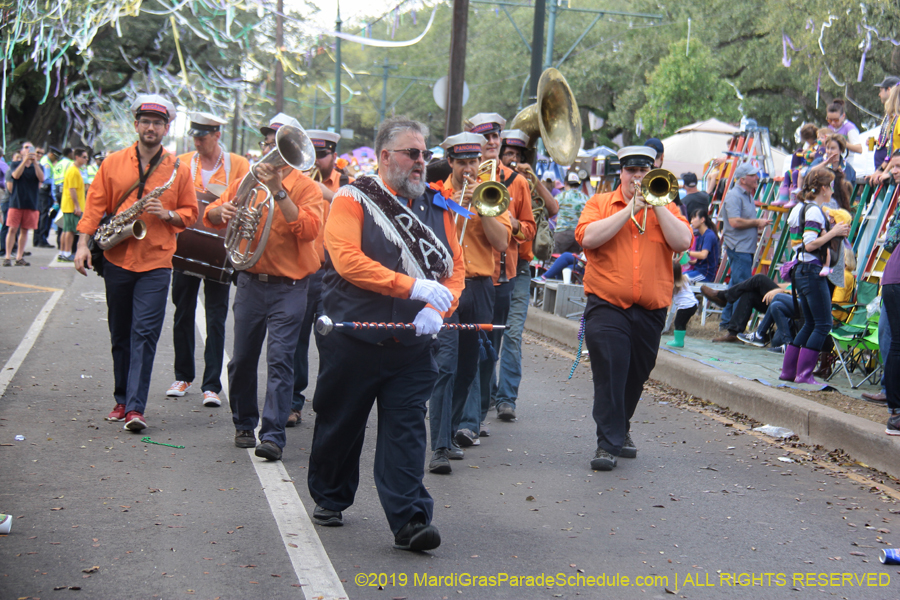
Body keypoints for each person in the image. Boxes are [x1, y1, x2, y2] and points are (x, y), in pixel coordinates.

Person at [307, 116, 465, 551]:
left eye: (424, 154)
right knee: (341, 424)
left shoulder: (439, 207)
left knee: (408, 430)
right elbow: (346, 259)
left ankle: (410, 520)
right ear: (384, 157)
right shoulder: (352, 199)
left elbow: (455, 269)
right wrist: (412, 286)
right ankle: (331, 496)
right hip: (354, 338)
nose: (421, 162)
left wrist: (439, 305)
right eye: (411, 154)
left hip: (413, 345)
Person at [74, 93, 198, 431]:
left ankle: (135, 409)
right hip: (116, 257)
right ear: (136, 125)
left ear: (166, 128)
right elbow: (95, 206)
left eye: (158, 123)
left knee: (145, 332)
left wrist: (168, 213)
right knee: (121, 332)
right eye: (146, 122)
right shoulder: (113, 162)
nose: (151, 128)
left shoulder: (177, 169)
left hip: (157, 261)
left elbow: (190, 213)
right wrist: (82, 245)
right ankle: (121, 398)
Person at [204, 113, 324, 461]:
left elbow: (309, 230)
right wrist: (221, 211)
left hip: (290, 287)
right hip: (251, 282)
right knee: (241, 360)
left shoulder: (306, 187)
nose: (271, 148)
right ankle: (244, 422)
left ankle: (272, 436)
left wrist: (278, 191)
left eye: (277, 141)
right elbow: (210, 213)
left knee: (280, 361)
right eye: (269, 141)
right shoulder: (249, 178)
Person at [575, 145, 692, 471]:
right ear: (621, 173)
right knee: (611, 367)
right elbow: (587, 238)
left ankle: (621, 426)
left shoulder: (667, 205)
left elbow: (683, 242)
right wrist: (628, 210)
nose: (637, 178)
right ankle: (607, 444)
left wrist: (657, 207)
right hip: (607, 304)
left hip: (650, 308)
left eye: (644, 172)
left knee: (636, 373)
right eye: (631, 171)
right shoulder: (600, 204)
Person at [427, 128, 511, 472]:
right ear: (450, 162)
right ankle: (439, 448)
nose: (469, 168)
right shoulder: (433, 194)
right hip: (445, 286)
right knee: (444, 364)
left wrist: (483, 207)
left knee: (468, 365)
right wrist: (453, 206)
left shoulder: (493, 193)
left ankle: (449, 429)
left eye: (474, 160)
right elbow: (425, 233)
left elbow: (503, 243)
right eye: (462, 162)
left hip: (478, 287)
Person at [167, 112, 250, 408]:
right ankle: (182, 375)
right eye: (195, 137)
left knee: (216, 315)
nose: (198, 142)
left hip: (219, 252)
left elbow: (249, 200)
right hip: (186, 247)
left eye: (203, 137)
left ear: (217, 135)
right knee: (183, 310)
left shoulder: (238, 164)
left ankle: (212, 384)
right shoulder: (184, 161)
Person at [459, 114, 534, 434]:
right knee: (466, 350)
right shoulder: (458, 178)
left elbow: (529, 228)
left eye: (495, 137)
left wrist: (512, 223)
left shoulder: (516, 181)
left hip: (503, 276)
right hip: (469, 276)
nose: (492, 142)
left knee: (490, 348)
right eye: (484, 137)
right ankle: (467, 420)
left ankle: (477, 411)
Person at [492, 129, 559, 425]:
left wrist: (534, 180)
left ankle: (506, 399)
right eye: (509, 154)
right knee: (490, 334)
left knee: (513, 333)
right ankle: (487, 394)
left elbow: (553, 209)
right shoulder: (491, 177)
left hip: (520, 265)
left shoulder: (525, 182)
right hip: (492, 265)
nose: (514, 159)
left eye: (519, 156)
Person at [288, 128, 345, 428]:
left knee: (331, 341)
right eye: (313, 154)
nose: (317, 161)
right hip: (303, 271)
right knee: (295, 341)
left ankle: (328, 402)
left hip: (333, 274)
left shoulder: (348, 184)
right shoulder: (296, 184)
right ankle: (293, 402)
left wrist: (327, 192)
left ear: (333, 156)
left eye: (322, 155)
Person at [779, 168, 851, 384]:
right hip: (811, 270)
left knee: (810, 323)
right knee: (823, 324)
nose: (832, 191)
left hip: (800, 270)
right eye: (830, 186)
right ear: (823, 188)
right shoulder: (813, 211)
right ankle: (804, 374)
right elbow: (809, 244)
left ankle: (789, 371)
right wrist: (834, 232)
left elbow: (797, 243)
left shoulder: (798, 208)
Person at [714, 162, 768, 338]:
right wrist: (757, 223)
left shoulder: (747, 194)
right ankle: (735, 330)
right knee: (742, 288)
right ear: (743, 179)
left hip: (745, 247)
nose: (756, 178)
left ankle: (726, 322)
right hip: (740, 248)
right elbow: (735, 222)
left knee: (736, 286)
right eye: (753, 175)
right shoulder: (734, 196)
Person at [703, 276, 795, 352]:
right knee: (749, 293)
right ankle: (733, 334)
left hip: (795, 305)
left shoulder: (807, 265)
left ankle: (724, 297)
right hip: (786, 300)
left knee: (760, 279)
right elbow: (791, 286)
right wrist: (773, 288)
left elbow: (804, 293)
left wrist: (781, 291)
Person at [878, 160, 900, 434]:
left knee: (896, 342)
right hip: (896, 278)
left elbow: (891, 241)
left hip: (892, 276)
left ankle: (895, 412)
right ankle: (895, 414)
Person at [4, 141, 45, 267]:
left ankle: (19, 257)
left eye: (30, 148)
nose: (29, 150)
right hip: (16, 202)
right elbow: (15, 175)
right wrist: (24, 161)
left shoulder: (39, 166)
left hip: (31, 202)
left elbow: (41, 178)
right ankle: (7, 256)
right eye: (26, 148)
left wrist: (34, 163)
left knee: (25, 230)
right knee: (12, 229)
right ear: (21, 151)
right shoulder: (15, 164)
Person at [58, 148, 88, 261]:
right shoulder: (73, 171)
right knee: (70, 230)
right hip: (72, 206)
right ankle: (66, 253)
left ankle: (63, 252)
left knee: (66, 230)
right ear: (77, 157)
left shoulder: (74, 170)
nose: (86, 159)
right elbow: (72, 189)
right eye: (84, 157)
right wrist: (77, 206)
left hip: (69, 205)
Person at [869, 78, 900, 185]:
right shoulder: (893, 119)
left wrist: (886, 172)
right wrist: (882, 172)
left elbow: (896, 151)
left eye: (881, 90)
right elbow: (891, 150)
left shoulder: (898, 120)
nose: (879, 94)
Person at [553, 171, 589, 254]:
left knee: (553, 260)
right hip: (578, 236)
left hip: (562, 233)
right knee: (572, 261)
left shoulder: (561, 196)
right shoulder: (585, 198)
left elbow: (551, 209)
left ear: (565, 183)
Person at [666, 260, 699, 348]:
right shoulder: (684, 278)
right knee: (682, 323)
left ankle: (678, 341)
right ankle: (679, 340)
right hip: (693, 304)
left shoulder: (672, 284)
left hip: (685, 306)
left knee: (678, 323)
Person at [682, 208, 719, 283]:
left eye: (693, 218)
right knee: (678, 277)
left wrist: (688, 252)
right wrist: (689, 261)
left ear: (702, 220)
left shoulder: (709, 235)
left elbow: (703, 255)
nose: (691, 222)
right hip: (698, 271)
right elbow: (701, 260)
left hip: (705, 274)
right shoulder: (700, 236)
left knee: (681, 280)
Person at [34, 146, 57, 248]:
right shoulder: (46, 163)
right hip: (45, 191)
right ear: (51, 154)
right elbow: (46, 179)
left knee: (41, 215)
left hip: (43, 191)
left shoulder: (46, 161)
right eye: (55, 157)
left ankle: (37, 239)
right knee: (44, 215)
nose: (55, 159)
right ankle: (41, 239)